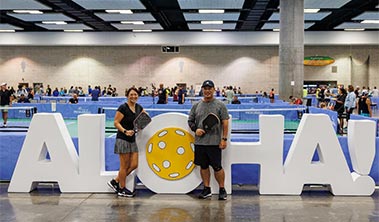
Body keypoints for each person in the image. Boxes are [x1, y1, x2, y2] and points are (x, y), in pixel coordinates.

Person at [188, 80, 229, 200]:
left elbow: (225, 123)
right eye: (205, 88)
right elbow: (190, 121)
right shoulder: (196, 105)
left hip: (214, 143)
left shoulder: (220, 105)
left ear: (213, 89)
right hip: (200, 142)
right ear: (202, 90)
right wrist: (196, 130)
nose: (207, 91)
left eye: (209, 88)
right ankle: (207, 189)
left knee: (217, 167)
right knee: (204, 166)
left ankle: (222, 189)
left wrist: (224, 139)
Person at [107, 87, 145, 197]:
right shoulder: (123, 108)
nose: (134, 96)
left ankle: (115, 181)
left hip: (132, 140)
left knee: (134, 164)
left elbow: (143, 118)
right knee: (124, 166)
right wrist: (125, 131)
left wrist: (140, 125)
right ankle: (121, 189)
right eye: (131, 94)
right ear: (127, 96)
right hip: (122, 139)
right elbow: (116, 122)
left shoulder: (138, 108)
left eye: (135, 94)